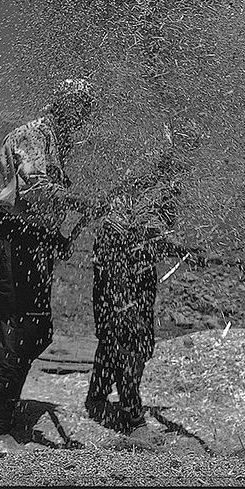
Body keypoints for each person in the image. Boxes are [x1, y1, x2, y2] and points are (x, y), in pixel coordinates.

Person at [0, 78, 107, 440]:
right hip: (6, 240)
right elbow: (35, 189)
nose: (82, 121)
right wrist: (82, 202)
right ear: (63, 107)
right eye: (79, 111)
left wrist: (54, 236)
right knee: (20, 328)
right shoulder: (34, 136)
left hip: (27, 239)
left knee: (29, 329)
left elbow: (38, 206)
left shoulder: (56, 144)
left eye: (85, 114)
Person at [85, 124, 205, 439]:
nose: (188, 162)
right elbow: (140, 227)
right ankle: (132, 417)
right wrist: (179, 245)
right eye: (187, 149)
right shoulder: (153, 179)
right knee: (132, 336)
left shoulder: (159, 179)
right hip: (121, 260)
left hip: (130, 260)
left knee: (116, 331)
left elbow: (150, 231)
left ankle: (96, 397)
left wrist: (182, 250)